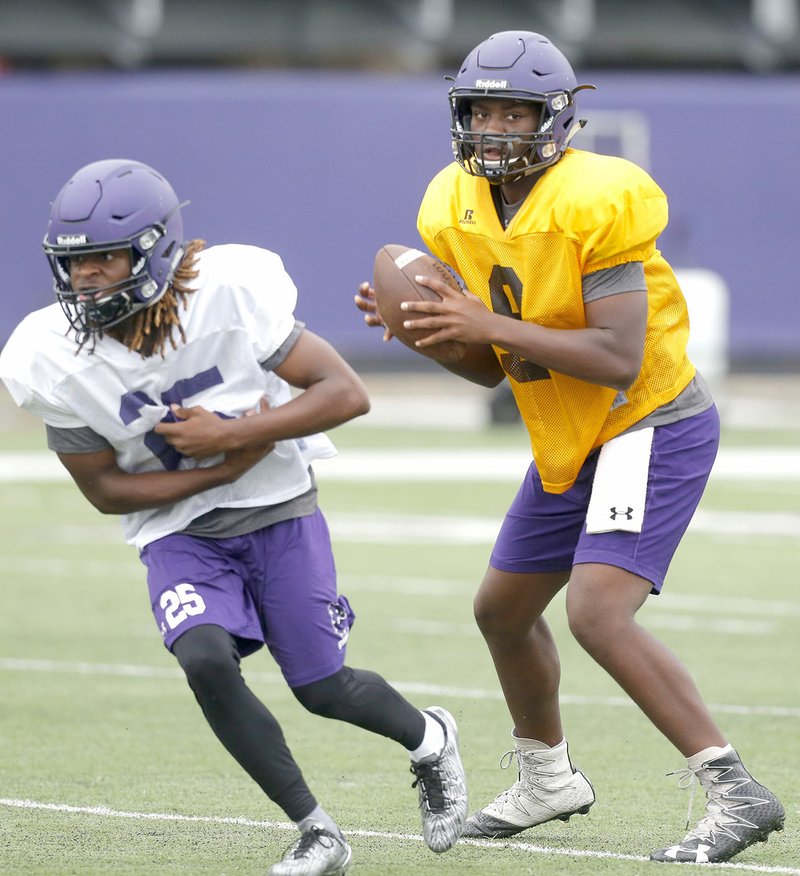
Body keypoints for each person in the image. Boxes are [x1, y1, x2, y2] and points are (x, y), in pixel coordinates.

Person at [354, 31, 785, 865]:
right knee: (502, 611)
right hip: (570, 431)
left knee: (595, 611)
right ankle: (548, 777)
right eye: (481, 109)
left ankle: (735, 792)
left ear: (555, 119)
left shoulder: (599, 196)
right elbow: (490, 370)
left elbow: (618, 355)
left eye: (514, 110)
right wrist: (432, 335)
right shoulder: (452, 204)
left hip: (646, 419)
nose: (495, 127)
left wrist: (483, 321)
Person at [0, 158, 468, 875]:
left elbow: (345, 393)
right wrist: (219, 465)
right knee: (205, 659)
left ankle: (430, 739)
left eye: (103, 259)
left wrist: (235, 435)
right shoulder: (46, 355)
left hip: (277, 506)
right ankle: (317, 831)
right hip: (178, 529)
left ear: (154, 252)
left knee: (322, 687)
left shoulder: (227, 290)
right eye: (74, 264)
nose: (86, 278)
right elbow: (103, 490)